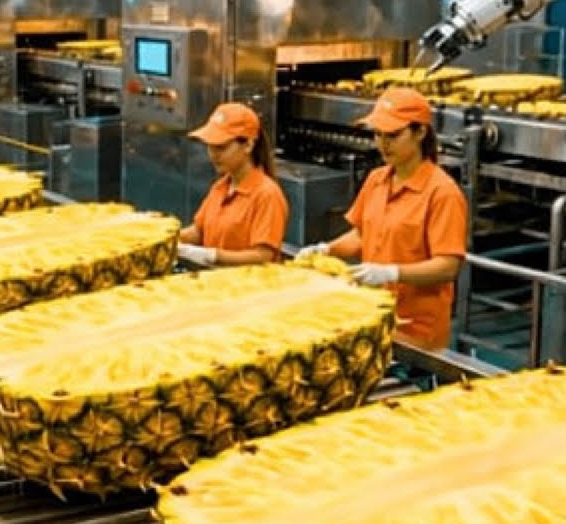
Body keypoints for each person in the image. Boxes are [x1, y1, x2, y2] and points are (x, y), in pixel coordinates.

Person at [298, 88, 468, 352]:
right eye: (377, 134)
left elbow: (447, 266)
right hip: (372, 321)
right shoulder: (377, 179)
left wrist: (392, 273)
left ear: (420, 132)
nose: (383, 144)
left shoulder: (442, 192)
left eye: (393, 135)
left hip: (416, 332)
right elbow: (361, 234)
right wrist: (326, 249)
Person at [177, 103, 289, 267]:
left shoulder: (266, 194)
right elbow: (200, 231)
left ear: (248, 145)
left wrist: (213, 255)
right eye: (210, 146)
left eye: (221, 147)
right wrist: (168, 239)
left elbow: (263, 256)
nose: (213, 154)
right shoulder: (221, 187)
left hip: (248, 288)